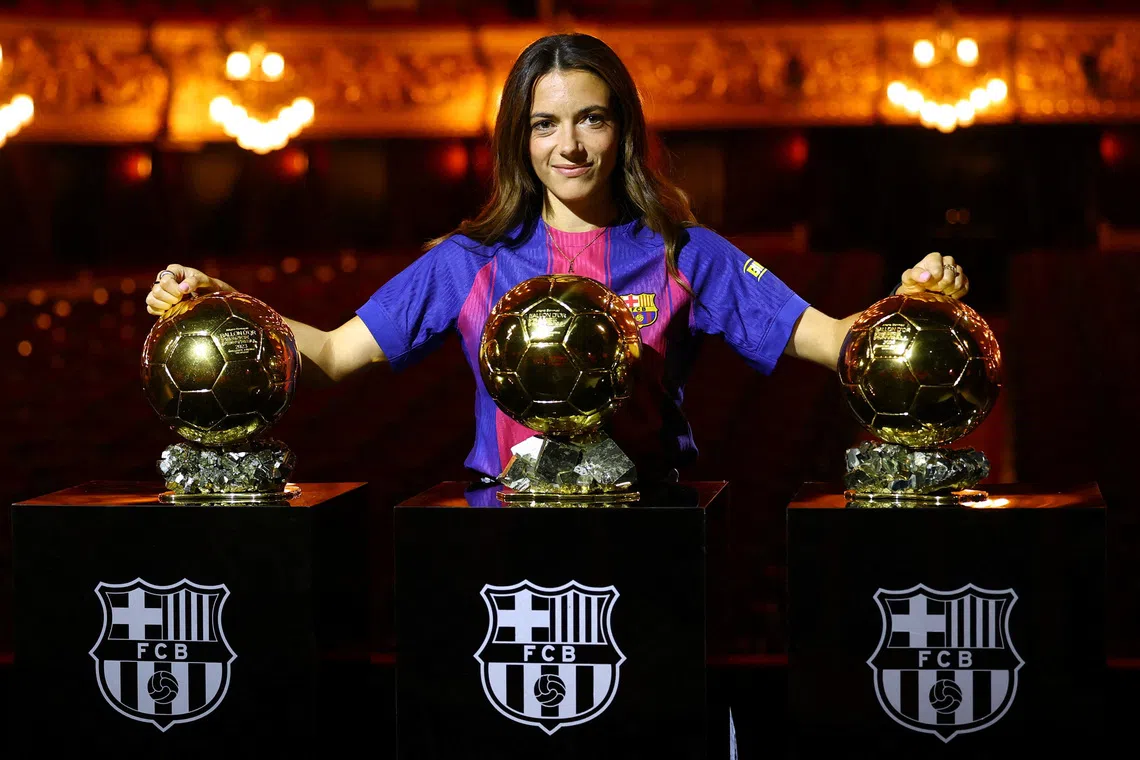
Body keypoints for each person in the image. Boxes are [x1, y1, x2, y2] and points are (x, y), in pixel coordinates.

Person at [145, 33, 969, 485]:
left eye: (592, 120)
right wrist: (228, 297)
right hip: (504, 530)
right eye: (545, 124)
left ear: (624, 132)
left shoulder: (689, 255)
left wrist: (913, 298)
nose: (569, 144)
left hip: (646, 518)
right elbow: (326, 354)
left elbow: (835, 342)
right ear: (520, 139)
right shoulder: (466, 261)